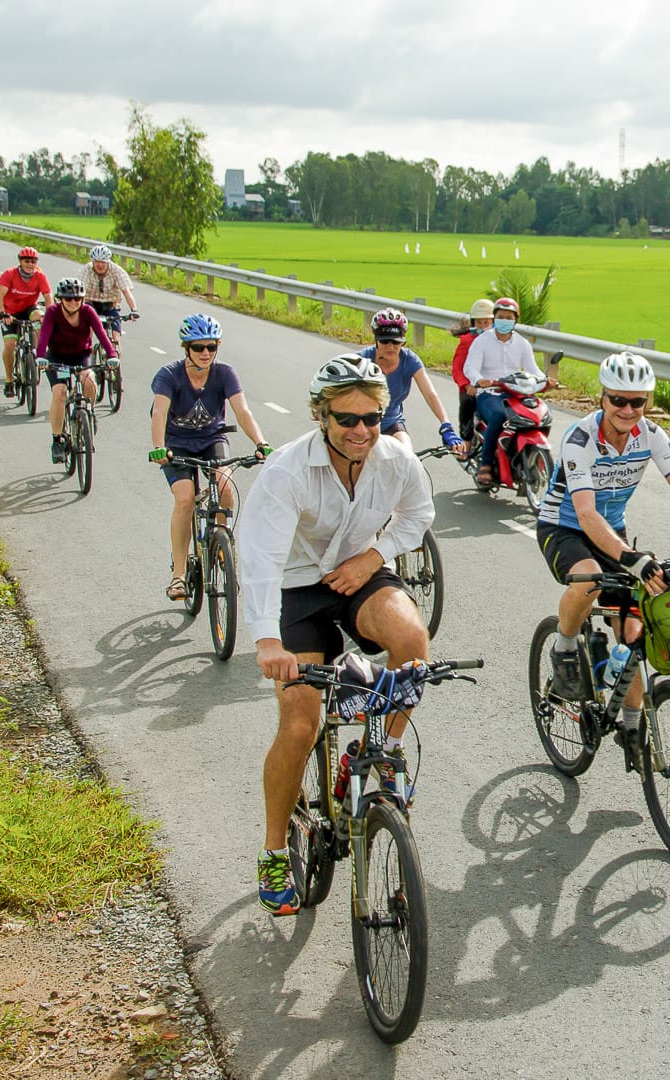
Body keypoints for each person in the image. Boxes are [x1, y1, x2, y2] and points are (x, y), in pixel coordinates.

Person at [236, 356, 435, 916]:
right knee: (300, 723)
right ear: (322, 416)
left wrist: (374, 555)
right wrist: (266, 641)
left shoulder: (394, 457)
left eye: (372, 418)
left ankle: (386, 751)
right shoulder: (287, 472)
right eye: (347, 418)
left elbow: (419, 514)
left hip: (358, 572)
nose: (361, 431)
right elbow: (260, 560)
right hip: (294, 589)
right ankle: (275, 850)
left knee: (412, 643)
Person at [535, 352, 670, 758]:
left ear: (647, 402)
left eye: (637, 401)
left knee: (634, 627)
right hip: (565, 526)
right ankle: (565, 646)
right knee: (589, 578)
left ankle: (629, 724)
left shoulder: (652, 435)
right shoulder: (579, 439)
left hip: (614, 532)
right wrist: (631, 558)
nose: (627, 410)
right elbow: (586, 514)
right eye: (618, 400)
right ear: (602, 399)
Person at [149, 314, 272, 600]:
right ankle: (178, 575)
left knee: (226, 485)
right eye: (198, 347)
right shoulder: (169, 374)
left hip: (212, 440)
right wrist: (158, 446)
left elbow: (242, 411)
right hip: (176, 444)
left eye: (211, 347)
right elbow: (159, 412)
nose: (205, 353)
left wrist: (260, 442)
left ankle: (222, 539)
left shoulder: (225, 373)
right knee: (184, 497)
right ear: (186, 348)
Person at [458, 297, 549, 486]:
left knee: (539, 415)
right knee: (500, 416)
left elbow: (533, 370)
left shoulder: (522, 344)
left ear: (515, 319)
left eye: (509, 318)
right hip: (490, 393)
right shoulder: (482, 341)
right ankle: (486, 464)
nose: (504, 321)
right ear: (495, 318)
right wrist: (478, 380)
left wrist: (546, 381)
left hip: (517, 392)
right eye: (500, 317)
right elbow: (470, 368)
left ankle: (524, 455)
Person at [355, 308, 462, 456]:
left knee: (407, 458)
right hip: (361, 423)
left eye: (396, 341)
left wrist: (446, 425)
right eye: (385, 341)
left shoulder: (409, 360)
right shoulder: (360, 360)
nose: (390, 346)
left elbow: (430, 394)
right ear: (375, 338)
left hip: (391, 423)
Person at [34, 278, 115, 463]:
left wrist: (111, 355)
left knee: (88, 379)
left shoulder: (88, 311)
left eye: (77, 299)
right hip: (57, 359)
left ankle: (90, 412)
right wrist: (40, 357)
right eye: (68, 299)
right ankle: (57, 439)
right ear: (60, 299)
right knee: (60, 393)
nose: (73, 302)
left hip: (81, 355)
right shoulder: (53, 312)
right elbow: (44, 335)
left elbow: (101, 333)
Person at [0, 247, 52, 395]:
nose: (30, 264)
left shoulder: (40, 276)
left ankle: (39, 354)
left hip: (29, 309)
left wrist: (49, 313)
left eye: (33, 261)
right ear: (20, 261)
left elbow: (47, 296)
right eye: (27, 261)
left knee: (40, 318)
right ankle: (9, 380)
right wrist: (2, 312)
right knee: (10, 345)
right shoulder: (10, 274)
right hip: (10, 313)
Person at [81, 244, 140, 355]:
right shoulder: (86, 270)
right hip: (91, 303)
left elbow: (126, 292)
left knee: (115, 338)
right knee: (87, 328)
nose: (100, 265)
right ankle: (86, 353)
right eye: (97, 262)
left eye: (103, 262)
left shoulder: (117, 271)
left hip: (111, 304)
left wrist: (134, 310)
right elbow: (80, 292)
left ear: (108, 262)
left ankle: (114, 361)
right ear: (92, 261)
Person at [449, 297, 492, 446]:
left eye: (486, 322)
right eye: (479, 322)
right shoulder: (467, 341)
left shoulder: (500, 342)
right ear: (473, 323)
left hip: (492, 385)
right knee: (467, 402)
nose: (482, 326)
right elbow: (457, 368)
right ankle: (466, 440)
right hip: (471, 386)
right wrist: (467, 386)